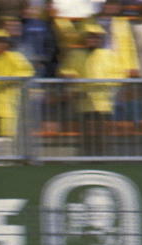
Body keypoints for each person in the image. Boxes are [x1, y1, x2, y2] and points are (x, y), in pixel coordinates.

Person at [59, 24, 121, 156]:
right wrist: (68, 75)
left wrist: (104, 85)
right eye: (90, 38)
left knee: (102, 130)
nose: (93, 40)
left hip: (104, 102)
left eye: (96, 38)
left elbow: (119, 75)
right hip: (83, 101)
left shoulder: (109, 55)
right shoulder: (75, 54)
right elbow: (65, 70)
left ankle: (103, 156)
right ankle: (86, 156)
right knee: (86, 130)